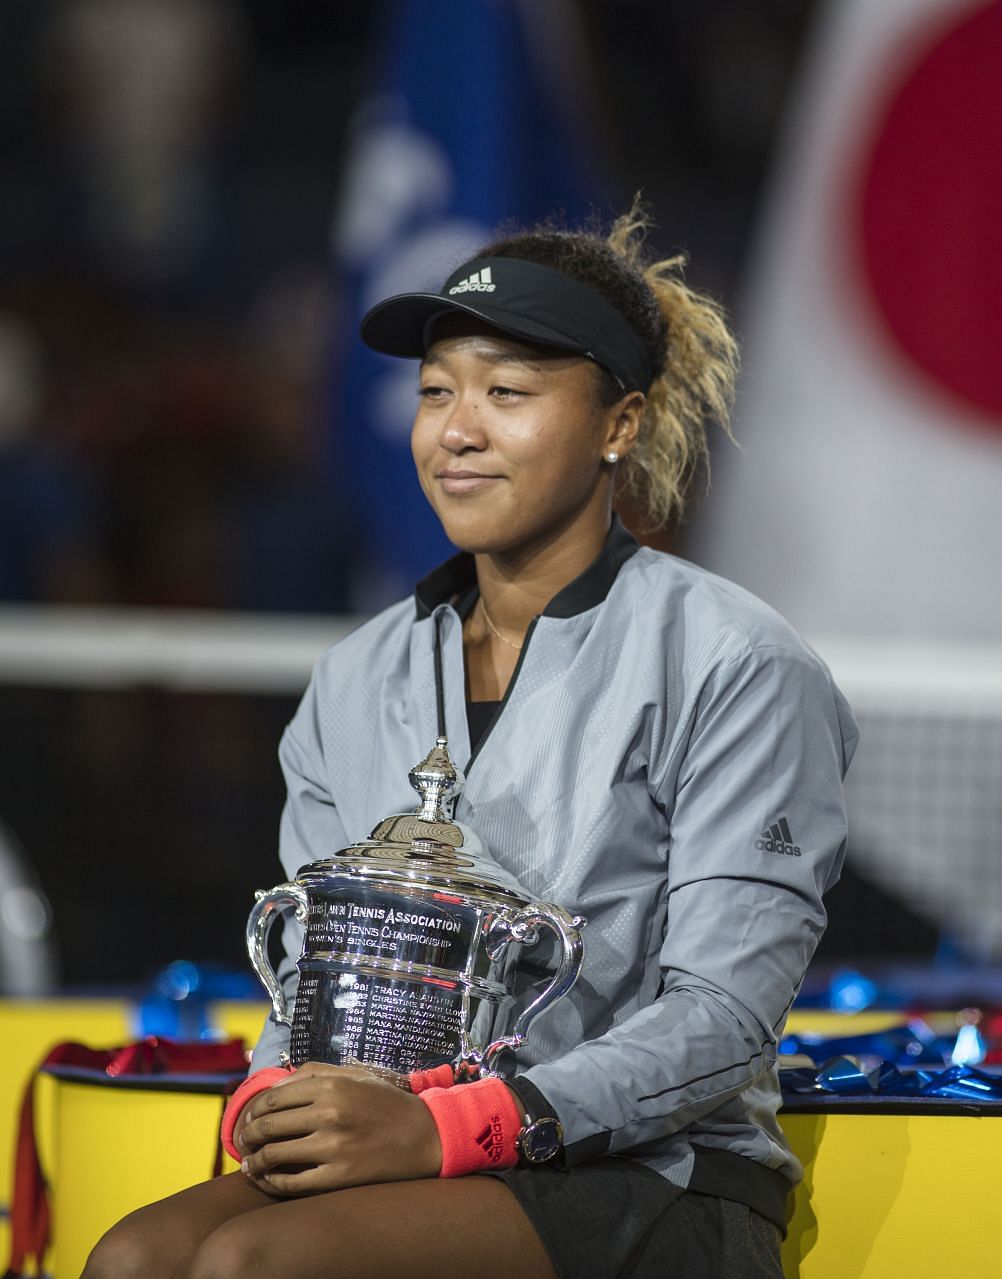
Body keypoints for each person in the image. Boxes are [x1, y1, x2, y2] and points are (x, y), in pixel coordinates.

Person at [82, 204, 858, 1279]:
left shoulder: (738, 662)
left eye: (508, 394)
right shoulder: (354, 677)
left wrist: (465, 1125)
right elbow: (308, 978)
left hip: (654, 1177)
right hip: (404, 1152)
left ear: (619, 424)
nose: (456, 430)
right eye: (437, 392)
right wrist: (274, 1094)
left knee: (255, 1264)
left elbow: (723, 1017)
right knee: (132, 1257)